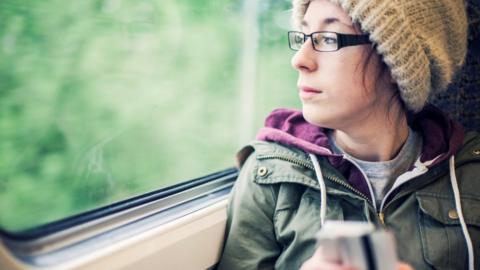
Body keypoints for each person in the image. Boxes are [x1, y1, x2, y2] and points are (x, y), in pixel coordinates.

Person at [217, 0, 479, 269]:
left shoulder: (471, 174)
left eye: (328, 38)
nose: (299, 60)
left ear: (395, 61)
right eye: (304, 36)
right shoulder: (269, 175)